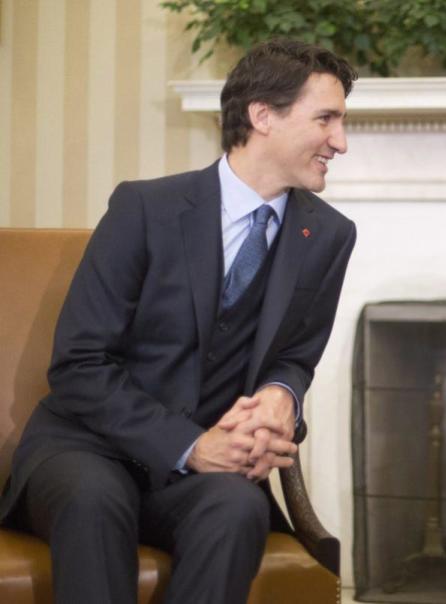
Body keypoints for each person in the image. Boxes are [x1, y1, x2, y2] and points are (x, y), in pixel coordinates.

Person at [0, 39, 358, 603]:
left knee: (238, 508)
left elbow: (296, 354)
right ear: (262, 115)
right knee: (94, 501)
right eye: (326, 119)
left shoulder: (331, 235)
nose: (340, 141)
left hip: (202, 478)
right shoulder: (145, 210)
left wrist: (281, 392)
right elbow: (79, 363)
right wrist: (190, 444)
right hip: (86, 449)